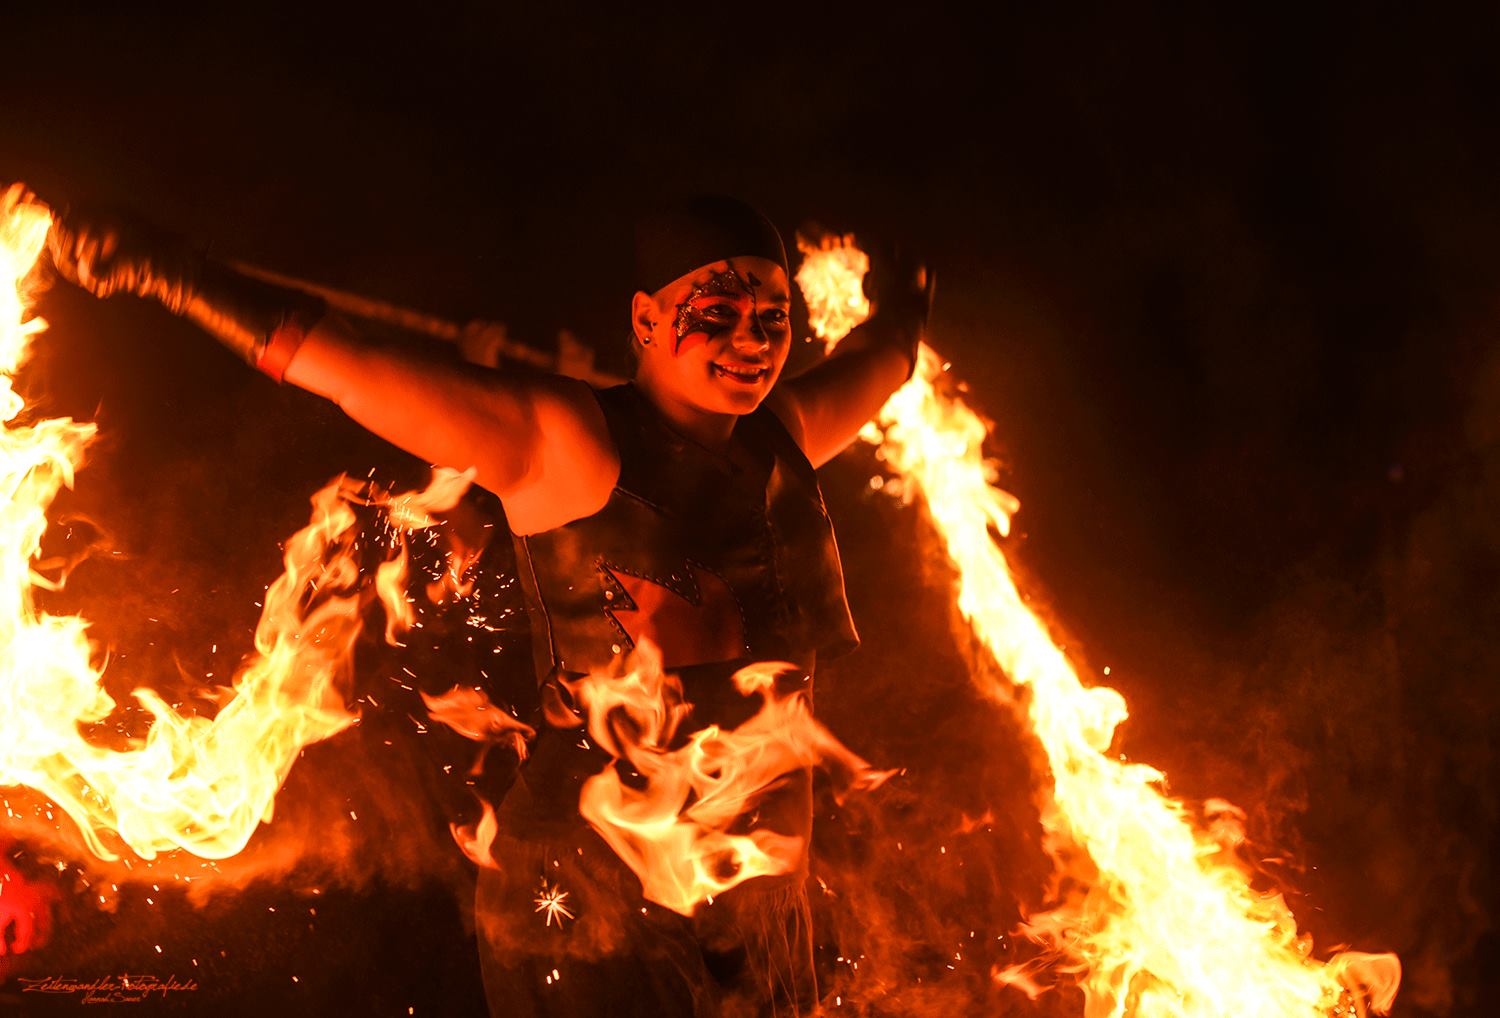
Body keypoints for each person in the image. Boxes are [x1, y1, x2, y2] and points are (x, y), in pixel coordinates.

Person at [46, 194, 928, 1016]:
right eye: (719, 313)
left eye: (772, 319)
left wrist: (907, 288)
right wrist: (168, 271)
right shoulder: (566, 443)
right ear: (646, 320)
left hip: (758, 907)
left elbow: (883, 360)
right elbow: (349, 368)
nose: (753, 340)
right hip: (595, 897)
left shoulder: (785, 441)